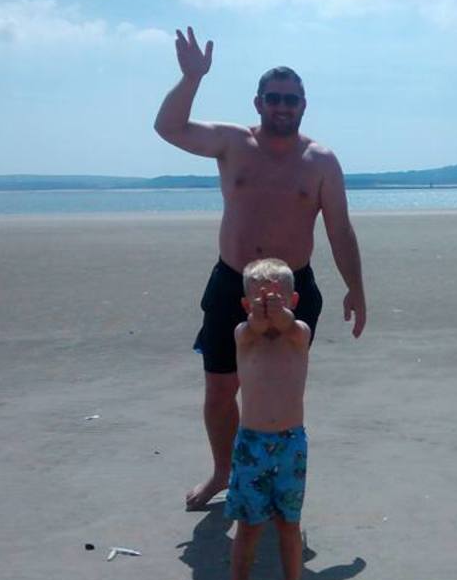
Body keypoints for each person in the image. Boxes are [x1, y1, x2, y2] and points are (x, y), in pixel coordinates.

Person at [154, 26, 366, 511]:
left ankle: (276, 483)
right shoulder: (232, 143)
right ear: (258, 102)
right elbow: (169, 128)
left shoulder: (321, 161)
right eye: (273, 98)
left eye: (291, 99)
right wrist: (190, 79)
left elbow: (340, 229)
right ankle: (224, 473)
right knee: (220, 390)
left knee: (277, 393)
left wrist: (356, 288)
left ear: (304, 105)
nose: (282, 106)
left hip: (294, 290)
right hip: (233, 283)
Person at [215, 258, 312, 580]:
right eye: (258, 300)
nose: (269, 308)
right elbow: (254, 327)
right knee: (249, 527)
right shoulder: (245, 334)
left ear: (294, 301)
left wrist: (281, 315)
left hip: (291, 445)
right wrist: (260, 315)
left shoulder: (298, 333)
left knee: (290, 522)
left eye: (278, 300)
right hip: (252, 445)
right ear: (245, 305)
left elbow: (290, 325)